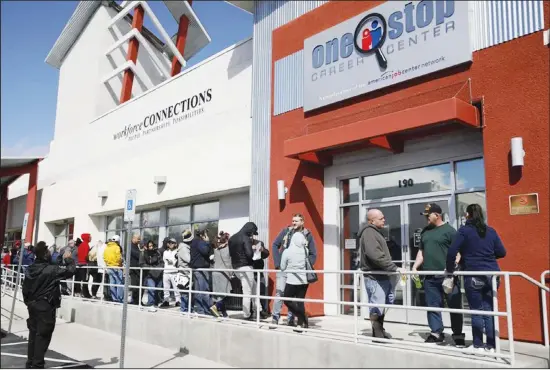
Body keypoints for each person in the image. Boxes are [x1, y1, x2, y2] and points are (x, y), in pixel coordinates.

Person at [446, 204, 507, 353]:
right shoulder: (491, 231)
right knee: (489, 310)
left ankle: (478, 344)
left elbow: (452, 251)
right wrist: (488, 257)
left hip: (473, 274)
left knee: (476, 311)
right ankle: (491, 345)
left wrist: (450, 270)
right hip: (492, 275)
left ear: (467, 215)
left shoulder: (464, 231)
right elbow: (502, 252)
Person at [411, 203, 465, 346]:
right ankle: (436, 333)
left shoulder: (450, 231)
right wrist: (415, 266)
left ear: (437, 215)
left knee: (454, 305)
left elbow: (459, 253)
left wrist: (455, 266)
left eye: (428, 216)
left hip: (448, 276)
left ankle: (458, 334)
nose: (426, 218)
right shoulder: (425, 232)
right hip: (430, 276)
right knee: (433, 305)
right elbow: (421, 252)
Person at [22, 241, 76, 369]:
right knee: (43, 336)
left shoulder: (31, 268)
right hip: (45, 306)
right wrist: (69, 260)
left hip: (33, 305)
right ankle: (37, 364)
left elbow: (25, 288)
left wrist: (28, 302)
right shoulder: (51, 270)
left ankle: (31, 362)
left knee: (34, 334)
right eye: (48, 252)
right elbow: (70, 271)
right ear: (45, 255)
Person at [358, 209, 405, 339]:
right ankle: (377, 335)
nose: (384, 220)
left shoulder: (375, 232)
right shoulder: (369, 233)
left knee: (383, 303)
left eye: (384, 218)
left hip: (381, 275)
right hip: (374, 276)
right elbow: (374, 255)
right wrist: (394, 267)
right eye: (381, 218)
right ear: (371, 220)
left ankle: (379, 331)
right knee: (377, 306)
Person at [271, 214, 317, 327]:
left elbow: (313, 254)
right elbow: (275, 245)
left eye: (296, 221)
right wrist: (277, 263)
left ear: (302, 222)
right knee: (280, 293)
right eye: (293, 221)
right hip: (284, 268)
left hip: (298, 271)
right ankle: (275, 318)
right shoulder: (286, 231)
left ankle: (291, 320)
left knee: (295, 297)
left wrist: (305, 265)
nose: (294, 223)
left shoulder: (308, 235)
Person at [280, 232, 311, 331]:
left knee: (287, 300)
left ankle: (302, 318)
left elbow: (282, 267)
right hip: (304, 281)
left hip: (292, 281)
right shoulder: (305, 250)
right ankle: (301, 324)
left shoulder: (287, 251)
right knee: (300, 302)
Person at [228, 222, 259, 320]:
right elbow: (249, 254)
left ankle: (259, 310)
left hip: (236, 267)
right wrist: (254, 251)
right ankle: (247, 314)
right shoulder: (246, 238)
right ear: (250, 230)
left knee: (254, 287)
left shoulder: (232, 238)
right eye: (252, 232)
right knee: (247, 292)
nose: (252, 235)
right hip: (246, 267)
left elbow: (230, 254)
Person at [190, 227, 217, 316]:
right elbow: (205, 251)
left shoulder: (193, 241)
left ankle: (200, 310)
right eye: (206, 234)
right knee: (204, 290)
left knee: (198, 290)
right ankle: (205, 310)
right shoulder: (200, 242)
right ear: (202, 234)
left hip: (196, 269)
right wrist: (207, 242)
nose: (207, 235)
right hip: (202, 269)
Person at [212, 231, 232, 317]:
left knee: (220, 295)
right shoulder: (227, 249)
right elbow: (228, 263)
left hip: (215, 273)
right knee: (227, 294)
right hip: (223, 274)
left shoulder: (216, 249)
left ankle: (224, 313)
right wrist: (231, 273)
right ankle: (215, 307)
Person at [140, 240, 164, 312]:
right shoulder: (144, 253)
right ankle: (150, 304)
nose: (151, 247)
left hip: (158, 273)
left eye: (152, 246)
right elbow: (142, 264)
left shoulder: (157, 253)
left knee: (158, 290)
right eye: (149, 246)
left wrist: (159, 269)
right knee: (151, 289)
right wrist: (151, 268)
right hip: (149, 274)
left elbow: (161, 262)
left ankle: (155, 303)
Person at [252, 238, 270, 316]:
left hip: (259, 272)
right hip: (250, 272)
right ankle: (251, 311)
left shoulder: (258, 242)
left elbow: (266, 254)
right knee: (251, 293)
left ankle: (263, 311)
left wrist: (262, 249)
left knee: (261, 291)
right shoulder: (244, 242)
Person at [161, 238, 181, 308]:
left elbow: (176, 261)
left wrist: (172, 262)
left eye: (172, 243)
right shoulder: (165, 252)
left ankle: (178, 301)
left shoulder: (177, 251)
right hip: (166, 271)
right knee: (166, 288)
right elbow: (164, 260)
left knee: (176, 288)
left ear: (175, 244)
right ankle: (166, 301)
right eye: (169, 242)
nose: (170, 244)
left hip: (174, 272)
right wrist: (170, 261)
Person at [104, 235, 123, 303]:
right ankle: (119, 299)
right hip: (116, 267)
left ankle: (114, 298)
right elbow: (119, 258)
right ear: (118, 241)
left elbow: (104, 258)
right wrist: (120, 262)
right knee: (119, 283)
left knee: (112, 283)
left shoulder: (107, 247)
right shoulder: (117, 247)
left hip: (109, 267)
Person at [177, 230, 193, 313]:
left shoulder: (184, 247)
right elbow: (188, 259)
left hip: (186, 272)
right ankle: (184, 309)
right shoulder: (183, 248)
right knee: (185, 293)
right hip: (184, 273)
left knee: (186, 292)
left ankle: (187, 309)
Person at [75, 233, 92, 298]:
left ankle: (78, 292)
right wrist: (89, 259)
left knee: (79, 279)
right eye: (89, 237)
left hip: (79, 263)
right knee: (85, 279)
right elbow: (85, 255)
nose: (91, 238)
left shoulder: (81, 245)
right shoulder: (86, 245)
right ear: (87, 238)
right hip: (84, 263)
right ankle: (86, 294)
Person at [129, 234, 142, 305]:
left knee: (138, 285)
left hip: (137, 269)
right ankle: (134, 300)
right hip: (133, 269)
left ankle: (137, 300)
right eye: (138, 239)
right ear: (133, 238)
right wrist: (142, 252)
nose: (139, 241)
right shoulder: (130, 246)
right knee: (135, 285)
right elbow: (137, 254)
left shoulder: (136, 246)